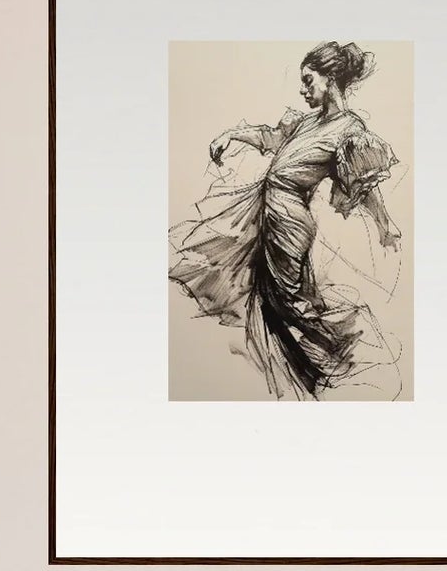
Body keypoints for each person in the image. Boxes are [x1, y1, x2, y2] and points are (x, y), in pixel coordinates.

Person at [171, 41, 404, 400]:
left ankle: (349, 352)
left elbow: (364, 183)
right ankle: (304, 376)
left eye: (309, 81)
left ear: (331, 79)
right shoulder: (306, 122)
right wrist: (232, 134)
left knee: (290, 305)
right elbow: (270, 137)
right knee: (269, 302)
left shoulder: (349, 130)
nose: (303, 89)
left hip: (290, 224)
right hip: (267, 217)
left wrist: (384, 224)